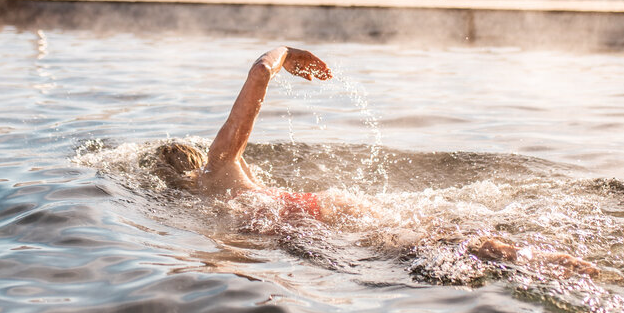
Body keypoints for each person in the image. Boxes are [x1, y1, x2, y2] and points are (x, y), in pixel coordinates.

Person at [148, 45, 598, 278]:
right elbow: (260, 71)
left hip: (314, 219)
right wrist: (285, 50)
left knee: (424, 242)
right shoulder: (220, 164)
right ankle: (533, 257)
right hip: (320, 210)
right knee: (428, 235)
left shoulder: (209, 191)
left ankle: (533, 260)